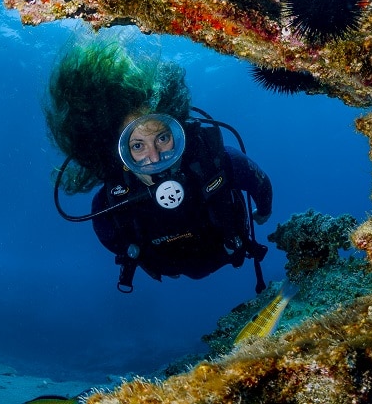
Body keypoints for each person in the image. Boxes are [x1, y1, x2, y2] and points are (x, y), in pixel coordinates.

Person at [44, 38, 272, 293]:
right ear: (119, 151)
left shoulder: (220, 162)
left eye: (162, 138)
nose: (154, 158)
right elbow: (111, 239)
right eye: (138, 146)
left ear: (178, 131)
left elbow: (260, 185)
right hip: (169, 267)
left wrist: (263, 211)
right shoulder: (108, 202)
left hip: (226, 253)